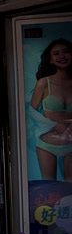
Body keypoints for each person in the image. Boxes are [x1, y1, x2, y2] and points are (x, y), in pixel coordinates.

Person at [29, 38, 72, 180]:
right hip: (47, 144)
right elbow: (32, 113)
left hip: (71, 143)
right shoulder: (44, 82)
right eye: (56, 53)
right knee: (49, 188)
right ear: (50, 60)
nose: (62, 56)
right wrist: (57, 124)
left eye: (66, 52)